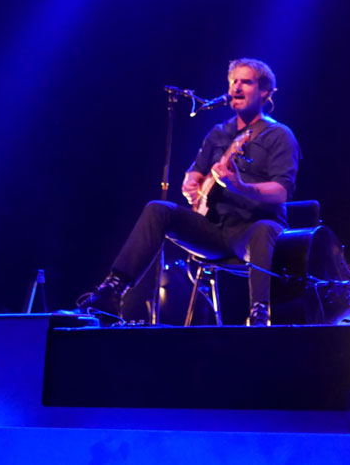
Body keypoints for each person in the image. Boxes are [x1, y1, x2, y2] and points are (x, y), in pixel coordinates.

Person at [79, 58, 300, 326]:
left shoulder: (278, 135)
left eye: (246, 81)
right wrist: (192, 184)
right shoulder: (219, 133)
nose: (236, 87)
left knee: (265, 229)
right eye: (233, 81)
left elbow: (281, 192)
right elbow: (195, 174)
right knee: (158, 209)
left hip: (254, 231)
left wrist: (240, 187)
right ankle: (113, 291)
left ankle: (259, 314)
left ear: (265, 92)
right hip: (214, 231)